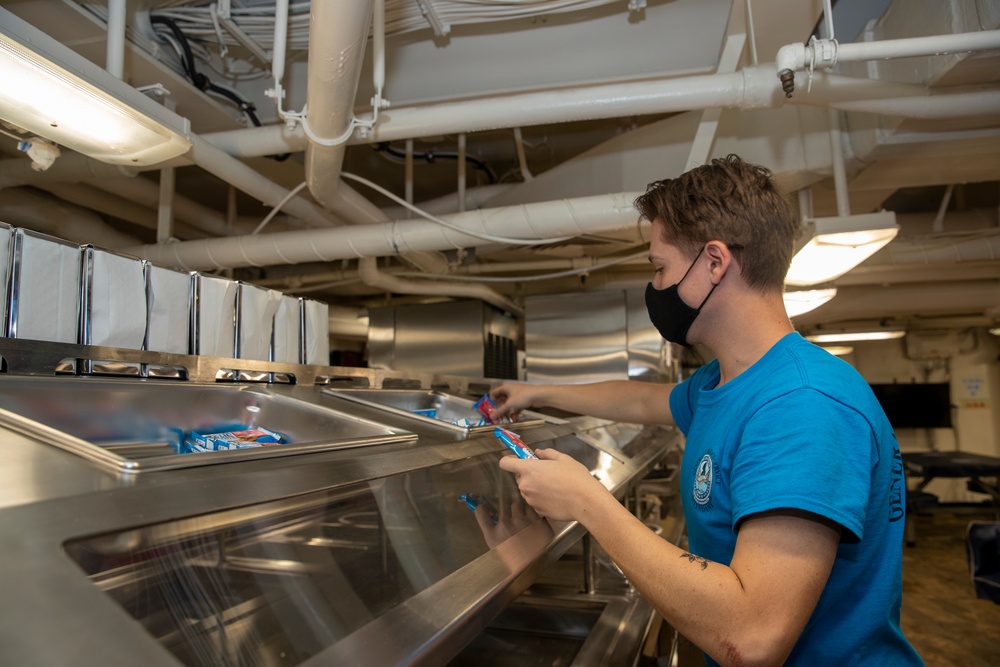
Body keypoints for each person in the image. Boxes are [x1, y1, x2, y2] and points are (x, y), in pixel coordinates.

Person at [489, 155, 923, 667]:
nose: (655, 286)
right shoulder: (729, 380)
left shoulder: (800, 407)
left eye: (660, 267)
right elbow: (640, 398)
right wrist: (534, 392)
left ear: (714, 263)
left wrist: (587, 502)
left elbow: (754, 636)